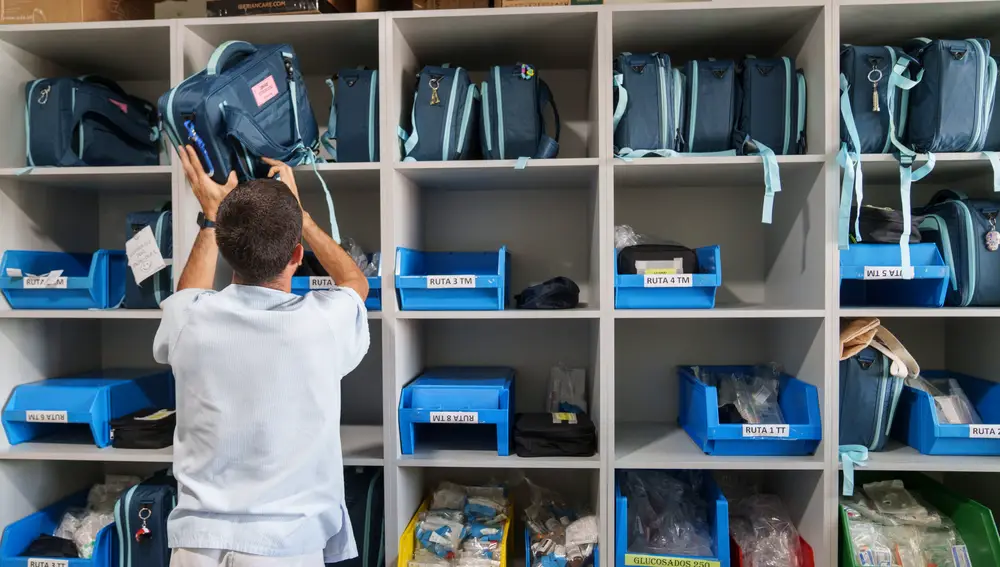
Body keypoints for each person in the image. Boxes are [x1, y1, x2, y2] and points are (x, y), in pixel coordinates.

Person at [154, 146, 370, 567]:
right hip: (284, 547)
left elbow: (186, 293)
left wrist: (213, 216)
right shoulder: (322, 324)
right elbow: (354, 281)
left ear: (225, 248)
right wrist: (300, 217)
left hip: (196, 547)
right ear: (296, 256)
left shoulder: (190, 320)